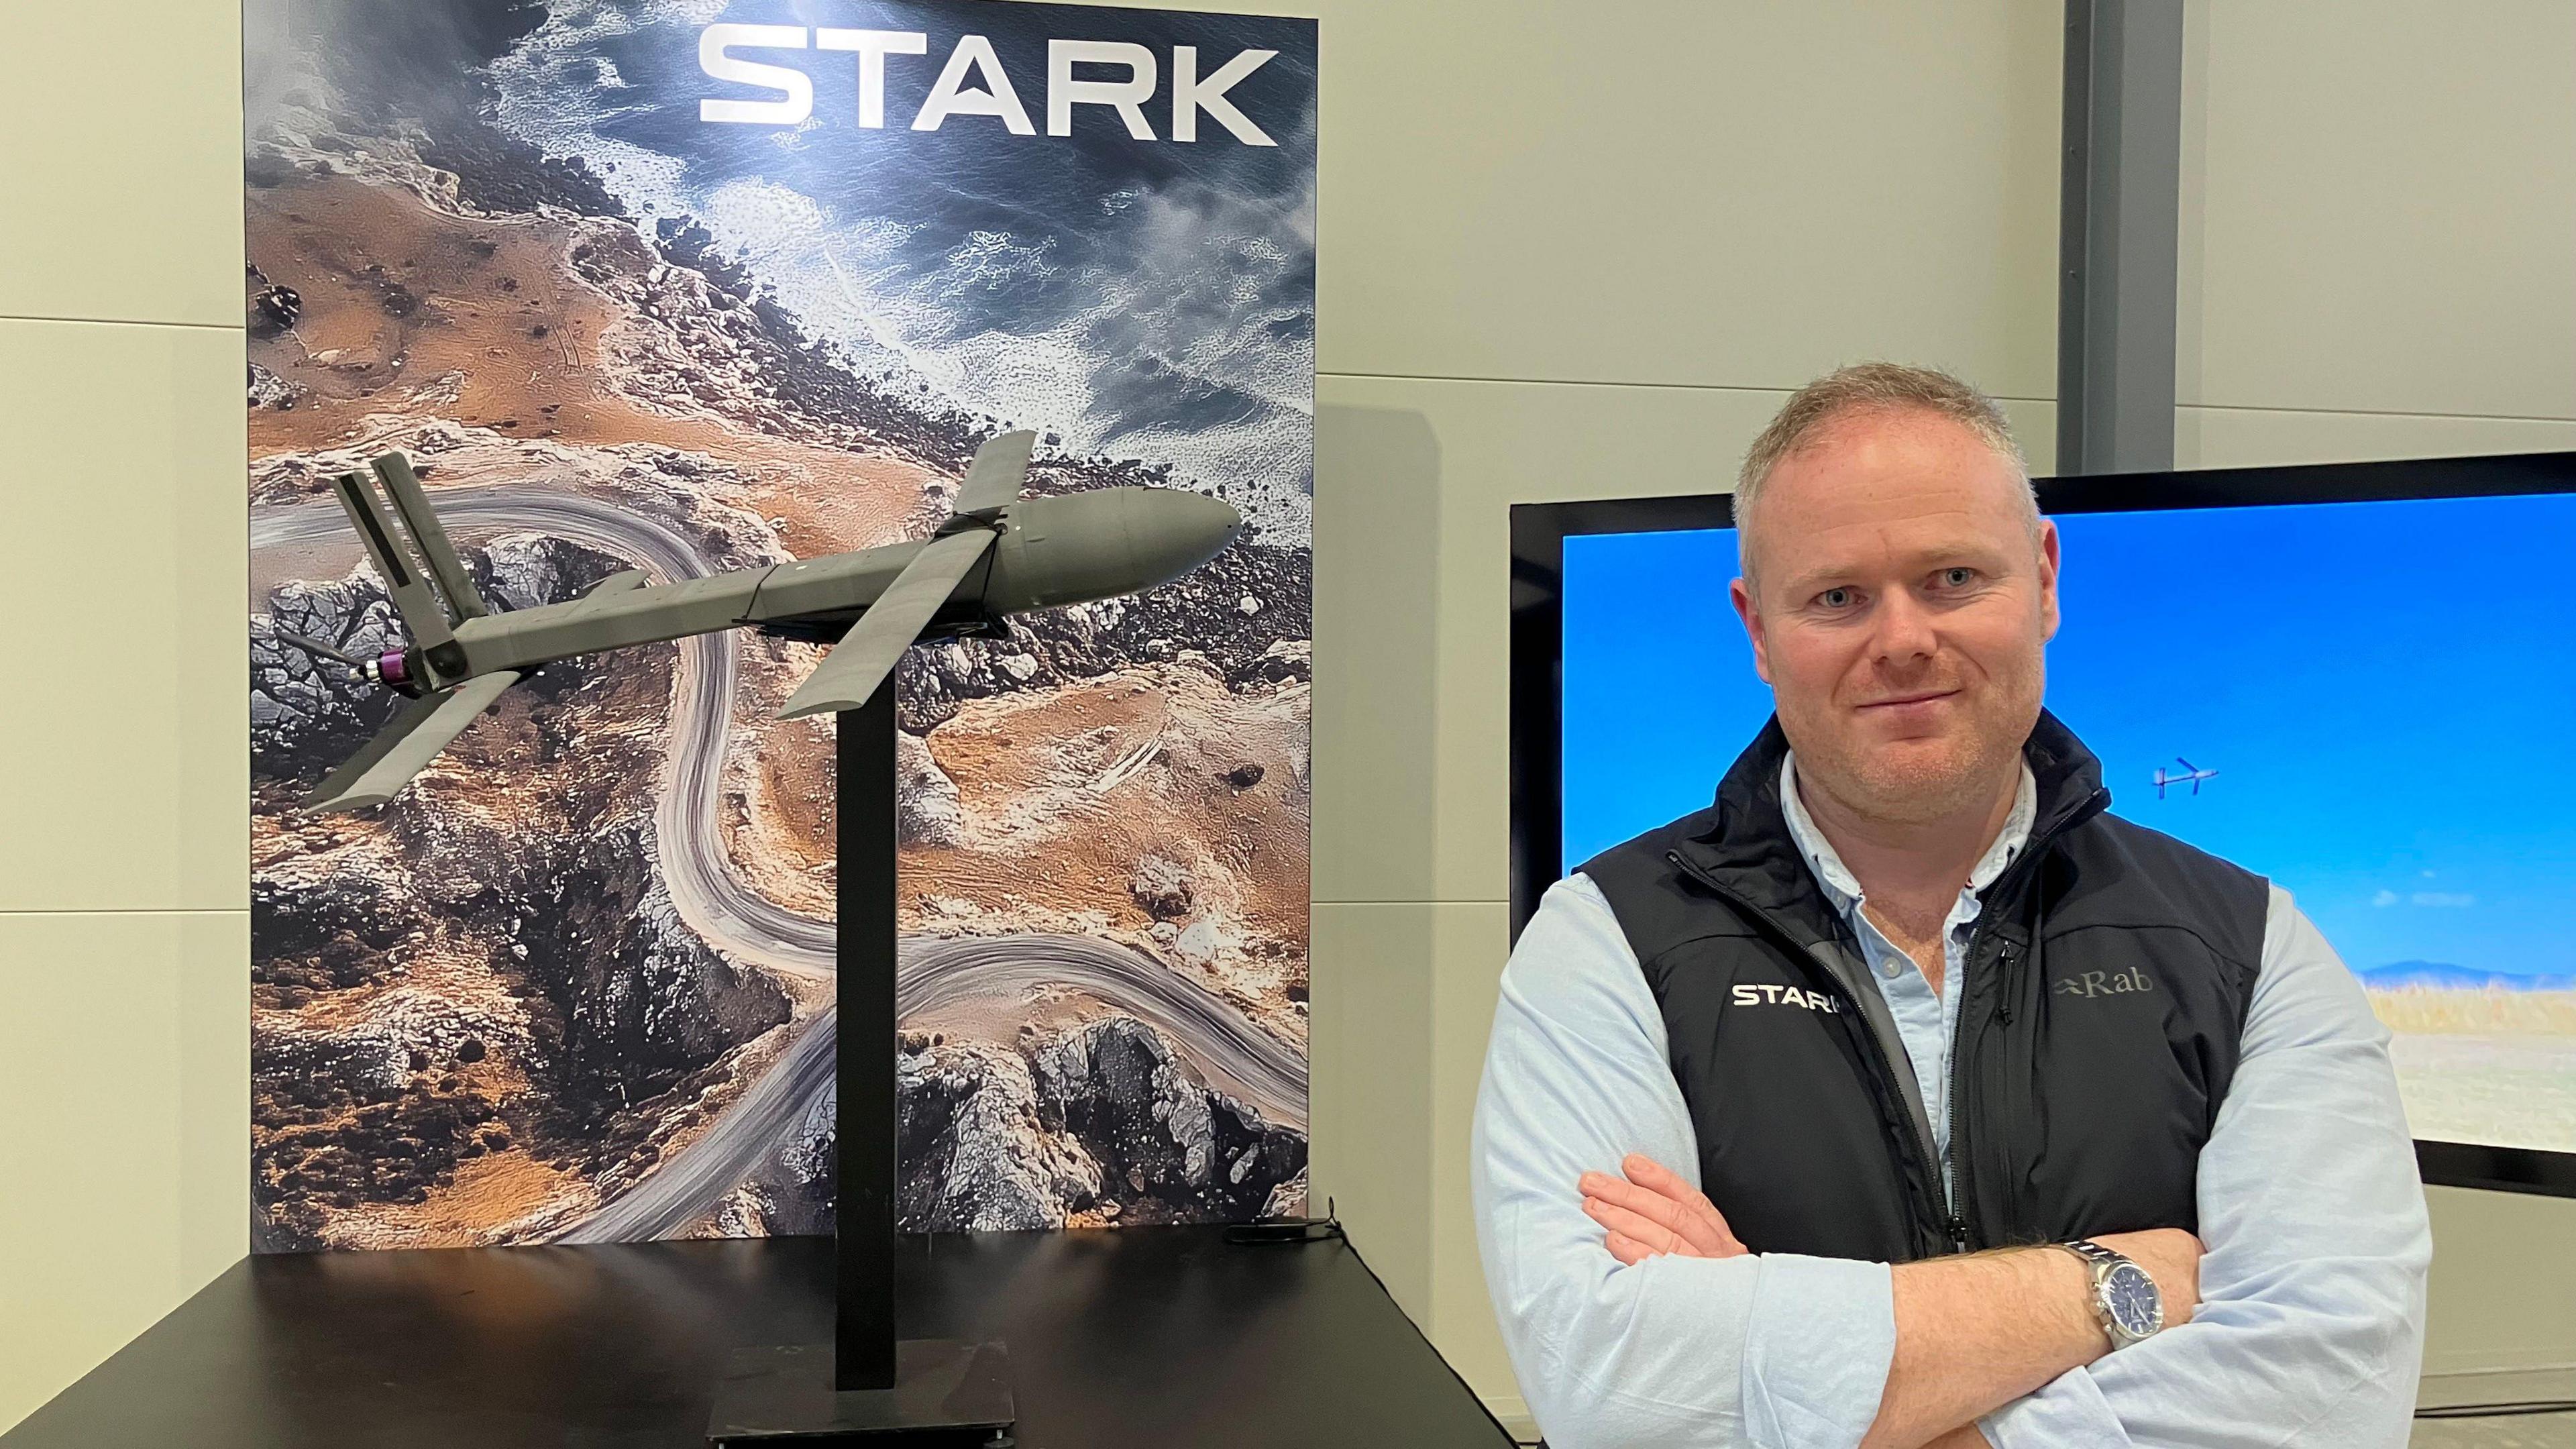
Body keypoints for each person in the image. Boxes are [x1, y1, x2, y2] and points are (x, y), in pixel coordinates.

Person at [1471, 363, 2432, 1449]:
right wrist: (2119, 1283)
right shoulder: (1605, 939)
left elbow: (2332, 1395)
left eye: (1953, 578)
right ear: (1755, 628)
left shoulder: (2248, 947)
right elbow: (1609, 1389)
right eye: (1838, 596)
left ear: (2046, 576)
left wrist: (1790, 1362)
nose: (1903, 640)